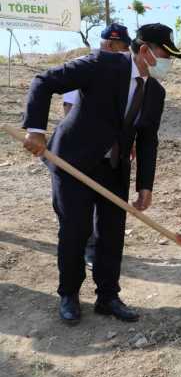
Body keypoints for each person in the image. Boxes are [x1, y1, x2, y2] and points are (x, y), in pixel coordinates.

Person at [22, 23, 181, 325]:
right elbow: (44, 81)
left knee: (111, 234)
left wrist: (145, 185)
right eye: (165, 54)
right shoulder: (103, 64)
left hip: (114, 166)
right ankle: (69, 294)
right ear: (145, 50)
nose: (167, 62)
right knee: (75, 230)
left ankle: (108, 296)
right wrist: (36, 131)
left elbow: (147, 138)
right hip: (74, 161)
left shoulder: (156, 92)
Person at [61, 23, 133, 268]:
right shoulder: (85, 66)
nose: (127, 55)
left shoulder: (121, 73)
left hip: (110, 158)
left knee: (103, 215)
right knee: (77, 216)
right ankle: (82, 255)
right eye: (124, 49)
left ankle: (95, 253)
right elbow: (70, 111)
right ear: (110, 45)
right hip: (80, 155)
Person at [63, 23, 132, 115]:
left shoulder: (123, 69)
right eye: (125, 47)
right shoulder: (80, 65)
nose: (128, 51)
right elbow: (69, 106)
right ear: (110, 45)